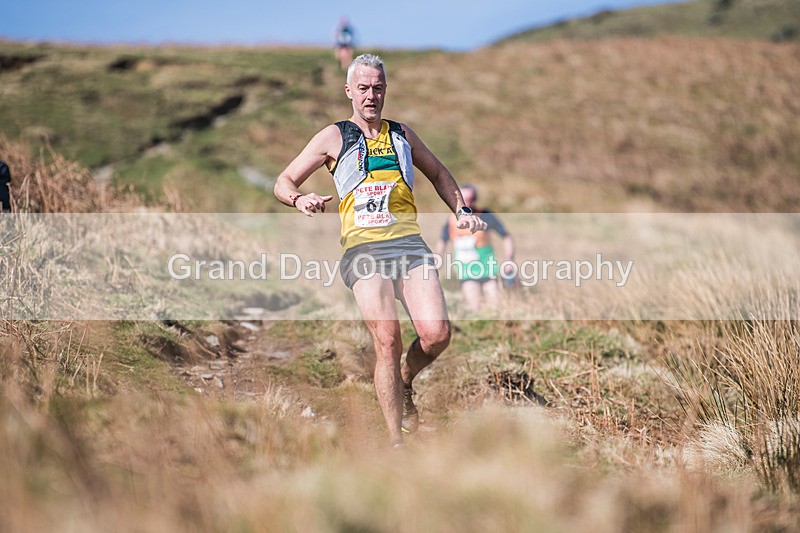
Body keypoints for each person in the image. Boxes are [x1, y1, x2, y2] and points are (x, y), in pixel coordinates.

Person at [273, 54, 487, 448]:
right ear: (349, 91)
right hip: (363, 247)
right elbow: (283, 179)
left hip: (408, 245)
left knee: (437, 335)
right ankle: (395, 443)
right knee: (387, 338)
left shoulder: (403, 133)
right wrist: (298, 199)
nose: (371, 96)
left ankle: (404, 380)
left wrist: (461, 209)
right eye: (364, 88)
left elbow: (438, 172)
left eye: (378, 88)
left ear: (385, 90)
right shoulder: (332, 137)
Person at [436, 184, 515, 312]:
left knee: (496, 307)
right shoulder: (451, 220)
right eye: (464, 198)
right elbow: (442, 241)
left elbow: (506, 237)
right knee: (475, 308)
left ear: (475, 199)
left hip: (488, 269)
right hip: (466, 271)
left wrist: (509, 259)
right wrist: (438, 258)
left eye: (470, 198)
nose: (467, 202)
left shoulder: (485, 215)